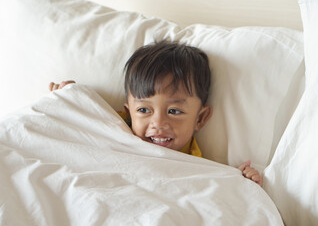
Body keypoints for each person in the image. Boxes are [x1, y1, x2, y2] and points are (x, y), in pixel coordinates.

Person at [49, 41, 263, 186]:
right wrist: (69, 99)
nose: (158, 123)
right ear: (129, 113)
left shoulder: (193, 159)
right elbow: (82, 122)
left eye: (174, 111)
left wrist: (242, 178)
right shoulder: (118, 124)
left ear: (200, 118)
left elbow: (210, 183)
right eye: (143, 110)